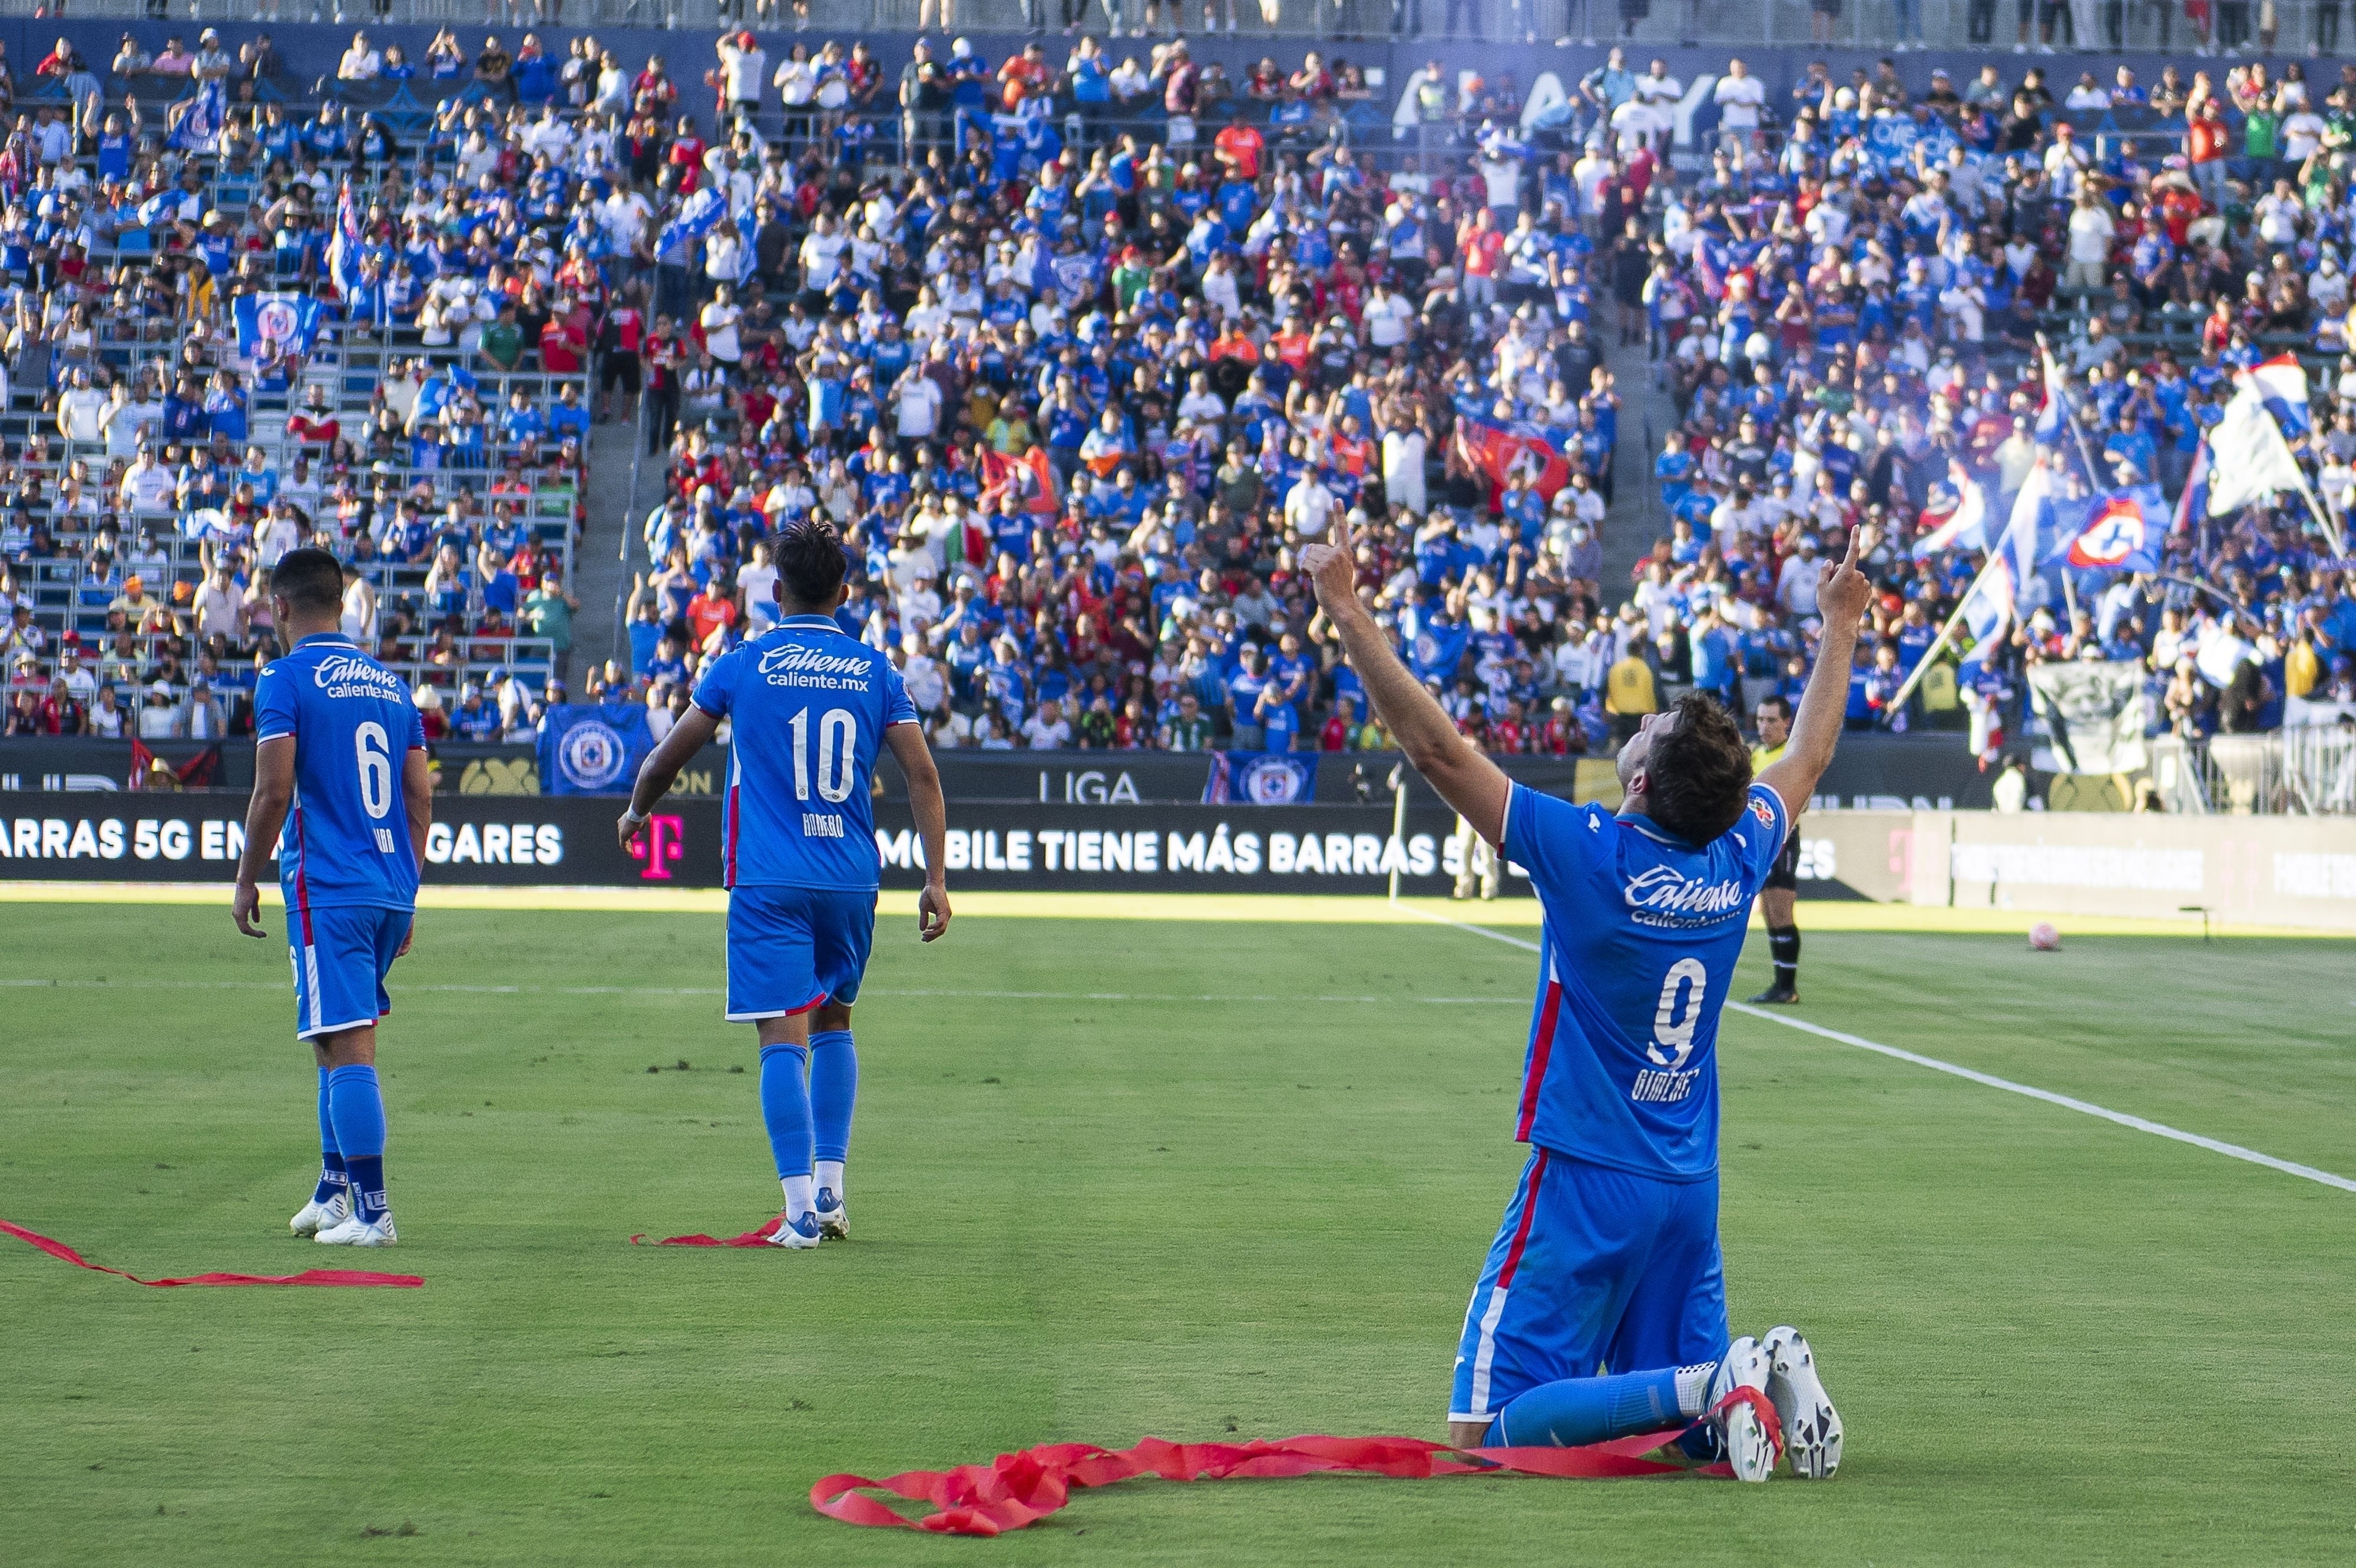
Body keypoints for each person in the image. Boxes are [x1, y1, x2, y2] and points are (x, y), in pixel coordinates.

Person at [1301, 513, 1874, 1481]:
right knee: (1669, 1433)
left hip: (1587, 1179)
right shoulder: (1737, 852)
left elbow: (1438, 752)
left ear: (1639, 780)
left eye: (1647, 729)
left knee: (1487, 1431)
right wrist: (1842, 625)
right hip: (1687, 1182)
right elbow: (1809, 756)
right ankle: (1752, 1386)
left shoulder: (1589, 854)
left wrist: (1348, 612)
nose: (1635, 726)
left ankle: (1720, 1378)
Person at [618, 519, 952, 1249]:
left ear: (775, 591)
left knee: (780, 1038)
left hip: (768, 877)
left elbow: (668, 758)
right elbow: (922, 775)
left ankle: (798, 1210)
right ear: (844, 593)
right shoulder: (875, 670)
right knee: (835, 1023)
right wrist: (934, 878)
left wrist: (637, 811)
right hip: (849, 878)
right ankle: (831, 1192)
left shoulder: (742, 664)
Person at [231, 548, 432, 1251]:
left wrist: (246, 876)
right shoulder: (392, 685)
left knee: (348, 1046)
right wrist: (407, 890)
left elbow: (273, 790)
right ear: (342, 604)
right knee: (330, 1035)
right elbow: (419, 798)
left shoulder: (283, 678)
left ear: (280, 607)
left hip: (330, 888)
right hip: (386, 886)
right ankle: (333, 1189)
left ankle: (373, 1211)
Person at [1745, 694, 1803, 1005]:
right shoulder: (1757, 754)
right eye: (1760, 720)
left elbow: (1802, 798)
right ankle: (1781, 984)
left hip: (1782, 839)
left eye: (1771, 720)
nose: (1764, 726)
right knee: (1768, 911)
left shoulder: (1790, 757)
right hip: (1760, 841)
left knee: (1781, 910)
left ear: (1786, 722)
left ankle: (1787, 986)